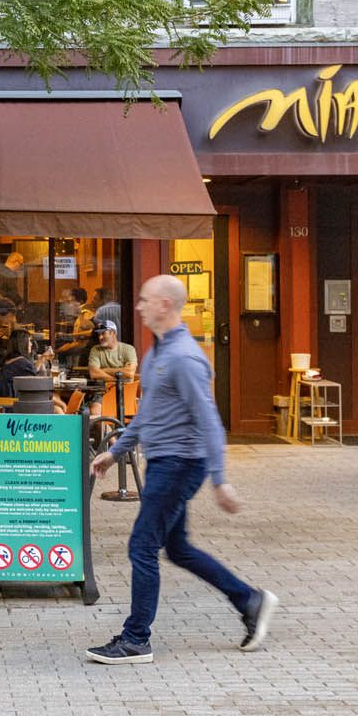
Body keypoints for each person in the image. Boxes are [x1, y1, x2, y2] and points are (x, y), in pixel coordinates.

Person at [84, 275, 277, 666]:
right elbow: (150, 415)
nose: (138, 307)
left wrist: (221, 480)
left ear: (165, 306)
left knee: (142, 546)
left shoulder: (185, 358)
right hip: (164, 462)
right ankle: (249, 600)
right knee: (179, 548)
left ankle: (136, 639)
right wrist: (116, 450)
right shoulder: (157, 355)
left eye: (144, 300)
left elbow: (209, 420)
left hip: (179, 465)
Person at [0, 329, 66, 413]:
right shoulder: (23, 363)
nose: (31, 344)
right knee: (58, 409)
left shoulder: (9, 361)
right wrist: (61, 403)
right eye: (29, 341)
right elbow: (36, 389)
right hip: (17, 407)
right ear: (23, 343)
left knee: (56, 398)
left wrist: (42, 358)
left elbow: (29, 376)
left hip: (8, 405)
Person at [86, 319, 138, 418]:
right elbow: (94, 373)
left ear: (113, 333)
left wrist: (104, 370)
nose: (100, 337)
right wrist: (117, 379)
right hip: (104, 392)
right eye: (99, 335)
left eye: (103, 334)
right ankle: (110, 433)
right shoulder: (96, 350)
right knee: (94, 413)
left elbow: (130, 373)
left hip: (125, 393)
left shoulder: (128, 349)